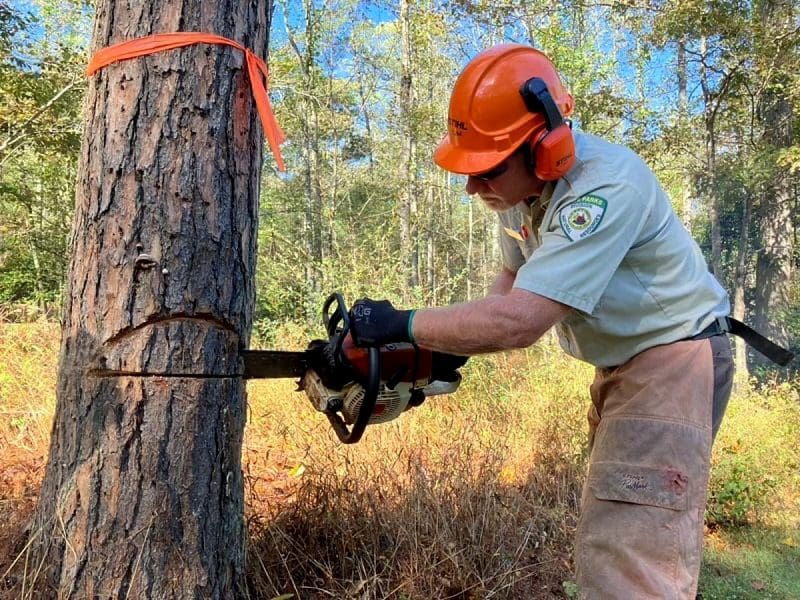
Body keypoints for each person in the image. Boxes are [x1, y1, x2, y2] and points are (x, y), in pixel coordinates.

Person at [347, 44, 791, 599]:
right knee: (620, 538)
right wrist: (444, 348)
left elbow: (521, 322)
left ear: (546, 146)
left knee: (630, 563)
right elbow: (508, 287)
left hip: (671, 362)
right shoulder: (520, 193)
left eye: (486, 169)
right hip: (625, 368)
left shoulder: (604, 187)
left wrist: (400, 324)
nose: (471, 186)